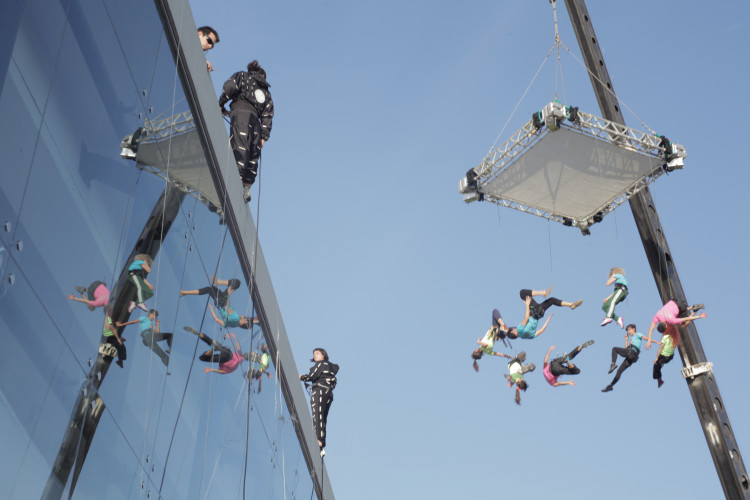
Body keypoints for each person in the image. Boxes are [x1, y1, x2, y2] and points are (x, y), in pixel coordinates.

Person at [219, 60, 274, 202]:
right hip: (255, 120)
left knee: (240, 145)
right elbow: (268, 116)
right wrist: (264, 136)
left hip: (241, 113)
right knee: (252, 154)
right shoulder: (266, 94)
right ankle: (245, 187)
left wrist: (221, 103)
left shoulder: (242, 76)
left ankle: (236, 180)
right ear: (262, 74)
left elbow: (230, 87)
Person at [300, 348, 339, 457]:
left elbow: (312, 376)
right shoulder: (330, 368)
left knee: (317, 414)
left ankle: (319, 440)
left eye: (317, 353)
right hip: (328, 394)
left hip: (320, 391)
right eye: (314, 354)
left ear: (323, 355)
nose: (315, 355)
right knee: (323, 417)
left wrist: (301, 377)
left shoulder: (321, 364)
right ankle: (322, 444)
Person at [602, 324, 660, 392]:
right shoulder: (632, 340)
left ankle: (612, 364)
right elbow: (626, 349)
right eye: (627, 331)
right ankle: (610, 386)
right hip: (632, 357)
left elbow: (646, 338)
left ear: (634, 329)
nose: (628, 332)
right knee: (619, 371)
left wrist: (656, 342)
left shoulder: (637, 334)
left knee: (614, 349)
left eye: (629, 330)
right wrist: (626, 340)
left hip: (632, 352)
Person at [507, 288, 583, 340]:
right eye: (513, 329)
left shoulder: (528, 337)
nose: (514, 328)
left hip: (540, 313)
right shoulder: (519, 330)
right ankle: (544, 292)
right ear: (512, 332)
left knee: (552, 300)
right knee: (522, 293)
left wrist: (548, 320)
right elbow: (526, 318)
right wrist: (527, 304)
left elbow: (541, 330)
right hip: (535, 310)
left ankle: (571, 305)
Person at [653, 322, 680, 388]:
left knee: (655, 366)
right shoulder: (673, 335)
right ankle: (660, 366)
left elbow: (660, 349)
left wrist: (656, 358)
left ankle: (660, 381)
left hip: (664, 357)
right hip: (670, 356)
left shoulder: (665, 337)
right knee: (658, 366)